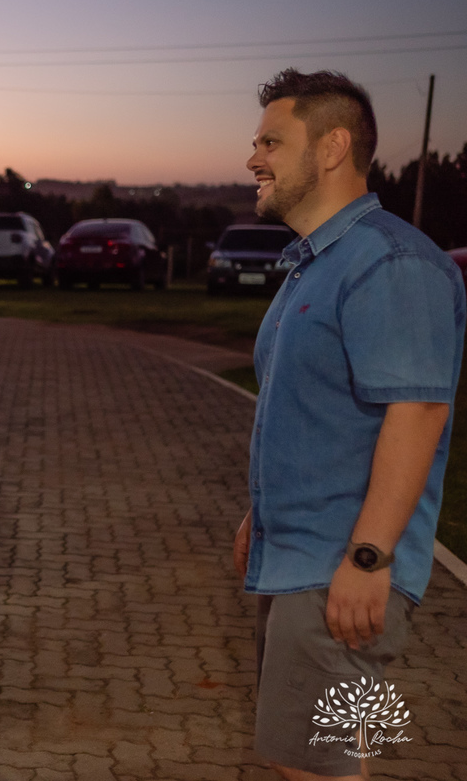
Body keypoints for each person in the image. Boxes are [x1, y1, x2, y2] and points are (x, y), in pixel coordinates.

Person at [233, 68, 464, 780]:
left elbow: (418, 410)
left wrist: (369, 558)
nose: (253, 158)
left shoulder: (391, 262)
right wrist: (258, 516)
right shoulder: (316, 267)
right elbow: (308, 411)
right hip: (305, 561)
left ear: (332, 147)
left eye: (272, 140)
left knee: (312, 767)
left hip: (341, 573)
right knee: (334, 761)